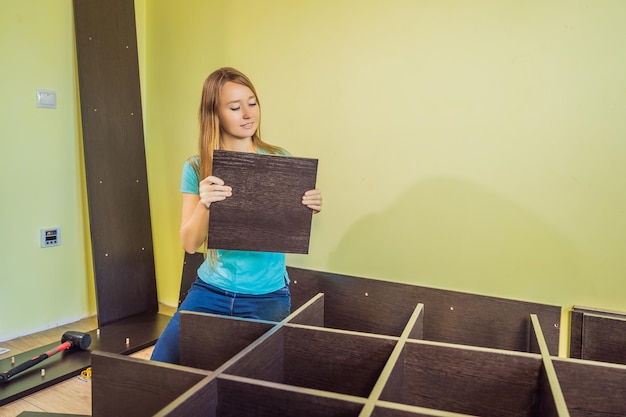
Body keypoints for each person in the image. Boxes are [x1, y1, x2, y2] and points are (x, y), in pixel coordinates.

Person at [150, 67, 322, 364]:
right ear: (214, 114)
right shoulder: (196, 167)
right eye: (234, 107)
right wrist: (205, 204)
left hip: (268, 296)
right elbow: (190, 244)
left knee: (256, 382)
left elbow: (284, 227)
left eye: (252, 103)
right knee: (160, 365)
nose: (247, 113)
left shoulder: (280, 160)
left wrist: (308, 205)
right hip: (210, 291)